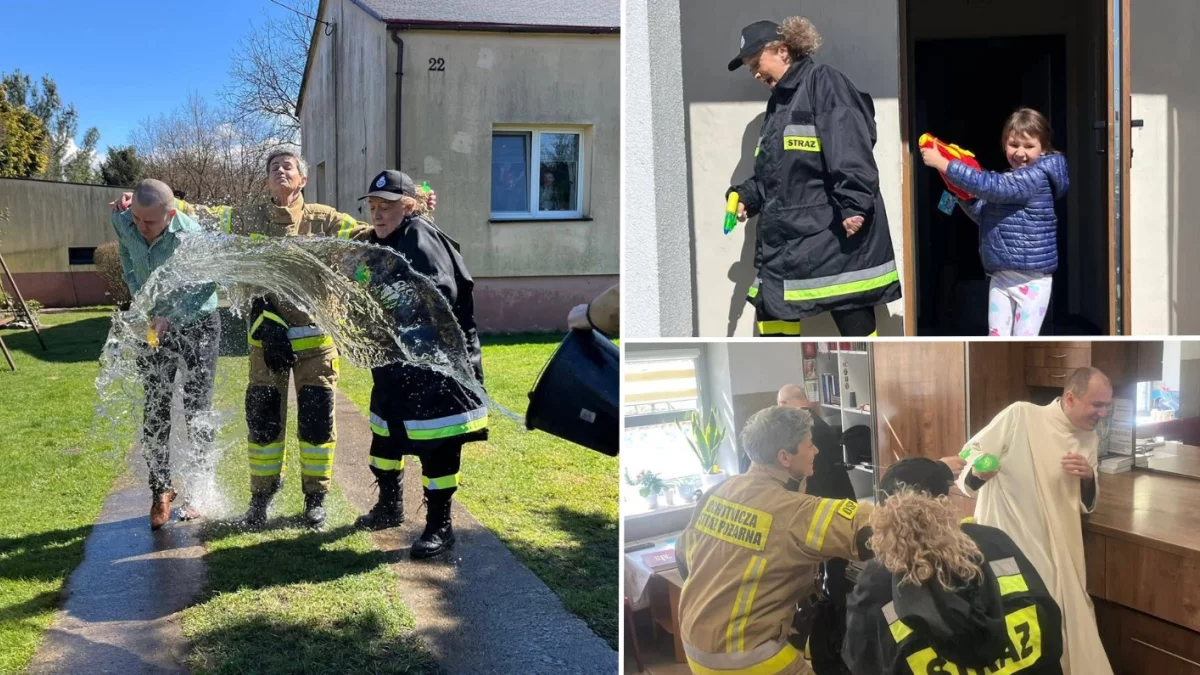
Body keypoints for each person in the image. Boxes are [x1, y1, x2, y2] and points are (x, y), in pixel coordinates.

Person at [112, 150, 437, 530]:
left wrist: (418, 210)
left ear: (303, 179)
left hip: (315, 342)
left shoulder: (325, 220)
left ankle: (315, 499)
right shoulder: (248, 218)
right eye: (273, 168)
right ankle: (261, 498)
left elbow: (376, 238)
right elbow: (203, 216)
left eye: (288, 167)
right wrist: (163, 200)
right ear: (266, 181)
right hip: (265, 341)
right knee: (263, 423)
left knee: (317, 422)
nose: (280, 171)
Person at [728, 17, 901, 338]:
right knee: (772, 310)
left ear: (781, 50)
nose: (754, 73)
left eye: (755, 62)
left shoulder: (824, 83)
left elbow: (850, 146)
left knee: (851, 310)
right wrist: (746, 196)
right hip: (793, 242)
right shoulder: (779, 105)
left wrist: (854, 206)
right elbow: (775, 173)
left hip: (832, 237)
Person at [675, 405, 876, 675]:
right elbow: (871, 529)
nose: (816, 451)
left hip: (695, 642)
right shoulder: (792, 509)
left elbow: (684, 556)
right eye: (809, 444)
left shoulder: (719, 490)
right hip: (746, 655)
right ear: (785, 457)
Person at [351, 170, 487, 559]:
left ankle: (440, 527)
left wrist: (393, 313)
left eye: (387, 207)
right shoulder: (382, 241)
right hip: (399, 368)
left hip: (437, 370)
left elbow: (439, 292)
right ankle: (389, 507)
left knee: (438, 448)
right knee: (386, 439)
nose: (378, 214)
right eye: (373, 207)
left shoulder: (419, 236)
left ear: (408, 207)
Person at [955, 367, 1111, 675]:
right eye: (1097, 405)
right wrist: (979, 471)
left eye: (1108, 405)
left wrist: (1088, 476)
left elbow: (1085, 503)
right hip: (1012, 537)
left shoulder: (1089, 437)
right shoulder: (1021, 416)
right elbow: (971, 453)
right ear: (1070, 398)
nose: (1103, 413)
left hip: (1061, 543)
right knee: (1019, 619)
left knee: (1064, 618)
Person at [844, 457, 1064, 674]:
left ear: (884, 515)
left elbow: (860, 659)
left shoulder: (877, 581)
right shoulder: (996, 543)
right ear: (945, 503)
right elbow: (1049, 619)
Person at [109, 179, 220, 530]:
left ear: (170, 215)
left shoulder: (191, 234)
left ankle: (200, 491)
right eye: (137, 219)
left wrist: (170, 311)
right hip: (154, 325)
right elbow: (126, 255)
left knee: (196, 405)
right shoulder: (124, 220)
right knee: (155, 406)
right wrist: (141, 297)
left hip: (198, 321)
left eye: (150, 222)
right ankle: (160, 489)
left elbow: (206, 283)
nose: (141, 228)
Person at [920, 108, 1068, 337]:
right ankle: (943, 314)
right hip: (1001, 275)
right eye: (1014, 145)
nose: (1020, 152)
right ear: (1003, 145)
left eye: (1029, 146)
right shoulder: (1009, 177)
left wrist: (945, 164)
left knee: (1022, 342)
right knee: (996, 338)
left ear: (1044, 147)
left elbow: (992, 186)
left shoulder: (1035, 177)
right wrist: (961, 196)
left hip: (1032, 280)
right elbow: (984, 214)